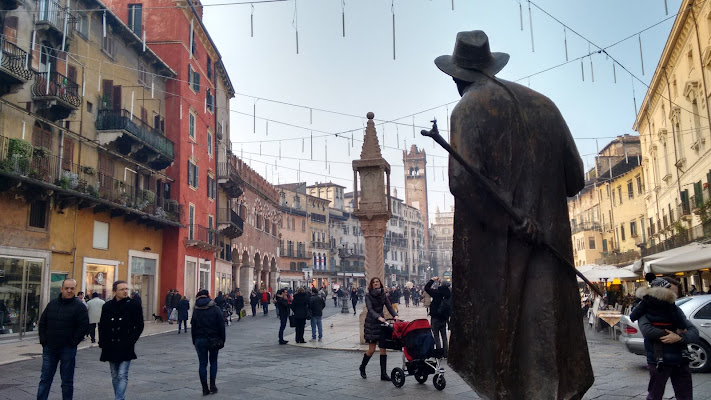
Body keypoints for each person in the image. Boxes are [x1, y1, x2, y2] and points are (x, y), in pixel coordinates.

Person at [435, 30, 592, 398]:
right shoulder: (545, 106)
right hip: (552, 256)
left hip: (500, 261)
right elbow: (575, 179)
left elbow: (462, 182)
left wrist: (509, 221)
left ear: (459, 76)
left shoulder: (468, 108)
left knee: (509, 353)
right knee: (551, 346)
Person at [37, 279, 89, 400]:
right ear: (61, 289)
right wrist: (43, 340)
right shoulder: (52, 304)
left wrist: (73, 342)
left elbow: (83, 326)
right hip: (50, 347)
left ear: (75, 289)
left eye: (72, 288)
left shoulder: (79, 307)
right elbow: (43, 322)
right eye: (67, 288)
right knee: (45, 379)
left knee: (67, 381)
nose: (69, 291)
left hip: (67, 349)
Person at [98, 280, 144, 400]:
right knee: (114, 375)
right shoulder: (107, 306)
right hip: (110, 344)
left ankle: (118, 399)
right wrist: (102, 342)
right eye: (122, 289)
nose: (125, 291)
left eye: (126, 289)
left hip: (125, 344)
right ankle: (119, 397)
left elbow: (139, 325)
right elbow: (102, 325)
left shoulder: (133, 304)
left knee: (123, 374)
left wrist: (132, 339)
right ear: (115, 291)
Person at [358, 277, 399, 381]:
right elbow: (370, 309)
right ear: (371, 285)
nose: (376, 283)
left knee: (383, 348)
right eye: (374, 282)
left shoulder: (383, 294)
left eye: (377, 282)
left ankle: (383, 374)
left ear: (380, 284)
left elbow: (389, 306)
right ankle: (362, 367)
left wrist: (395, 315)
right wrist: (378, 317)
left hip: (381, 323)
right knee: (371, 350)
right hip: (372, 323)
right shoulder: (368, 295)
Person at [191, 289, 225, 395]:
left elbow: (193, 327)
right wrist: (222, 339)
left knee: (202, 364)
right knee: (213, 362)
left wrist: (194, 340)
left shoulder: (196, 310)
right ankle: (213, 385)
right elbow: (221, 326)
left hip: (200, 340)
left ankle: (204, 388)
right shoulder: (215, 309)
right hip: (214, 339)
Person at [424, 277, 451, 358]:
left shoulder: (436, 292)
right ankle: (446, 353)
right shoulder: (449, 294)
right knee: (444, 336)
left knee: (436, 336)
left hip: (435, 317)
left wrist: (432, 279)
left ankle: (439, 353)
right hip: (444, 318)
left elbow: (426, 288)